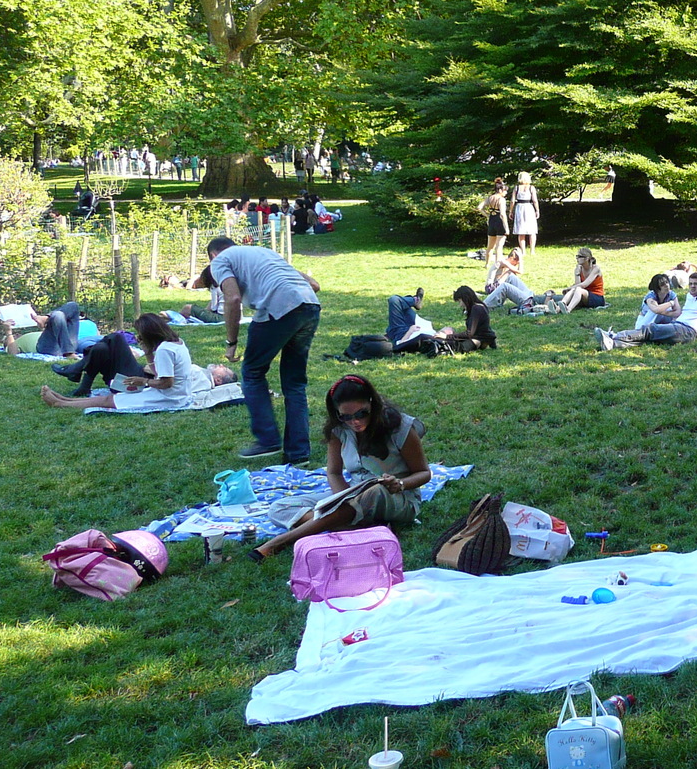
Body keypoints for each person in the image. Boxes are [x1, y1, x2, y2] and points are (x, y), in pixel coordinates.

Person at [248, 375, 430, 562]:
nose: (355, 421)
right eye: (346, 417)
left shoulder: (400, 427)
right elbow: (333, 472)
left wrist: (399, 484)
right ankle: (357, 527)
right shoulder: (339, 430)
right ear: (337, 414)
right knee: (279, 508)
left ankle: (280, 542)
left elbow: (424, 473)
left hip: (397, 498)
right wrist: (343, 500)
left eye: (361, 413)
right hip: (352, 493)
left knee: (375, 490)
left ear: (372, 404)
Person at [207, 234, 323, 463]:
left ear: (213, 255)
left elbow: (232, 298)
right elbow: (314, 285)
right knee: (294, 384)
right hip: (309, 305)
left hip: (279, 308)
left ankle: (267, 439)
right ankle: (299, 454)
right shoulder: (262, 252)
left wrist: (231, 343)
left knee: (251, 372)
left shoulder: (219, 261)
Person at [40, 313, 234, 411]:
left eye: (224, 369)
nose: (221, 365)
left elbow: (166, 382)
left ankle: (64, 400)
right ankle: (67, 397)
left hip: (166, 396)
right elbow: (161, 373)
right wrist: (149, 352)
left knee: (109, 398)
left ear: (218, 379)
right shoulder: (175, 344)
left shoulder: (168, 350)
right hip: (164, 390)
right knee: (103, 347)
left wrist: (144, 382)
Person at [594, 273, 697, 350]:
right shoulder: (689, 295)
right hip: (679, 326)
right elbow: (679, 313)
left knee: (650, 330)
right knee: (650, 338)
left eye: (696, 284)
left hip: (688, 331)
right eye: (691, 283)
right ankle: (613, 344)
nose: (692, 286)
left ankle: (613, 336)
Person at [546, 248, 605, 313]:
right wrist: (577, 274)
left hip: (597, 297)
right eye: (577, 256)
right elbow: (578, 284)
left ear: (587, 258)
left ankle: (568, 309)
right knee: (575, 289)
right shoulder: (579, 268)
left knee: (577, 289)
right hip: (584, 296)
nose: (577, 259)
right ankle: (560, 307)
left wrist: (569, 288)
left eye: (579, 257)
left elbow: (584, 285)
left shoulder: (595, 269)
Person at [443, 285, 498, 350]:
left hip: (478, 339)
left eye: (460, 301)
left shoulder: (476, 308)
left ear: (465, 299)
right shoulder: (479, 307)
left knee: (451, 344)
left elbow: (469, 333)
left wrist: (447, 336)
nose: (460, 305)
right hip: (481, 337)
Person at [482, 178, 509, 276]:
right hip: (499, 222)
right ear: (501, 190)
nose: (506, 193)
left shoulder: (490, 198)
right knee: (499, 246)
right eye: (505, 191)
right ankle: (498, 265)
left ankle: (486, 264)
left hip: (492, 221)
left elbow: (479, 207)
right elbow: (502, 214)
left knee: (490, 247)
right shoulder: (501, 200)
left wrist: (487, 215)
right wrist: (507, 227)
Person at [511, 172, 540, 257]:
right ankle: (532, 251)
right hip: (529, 207)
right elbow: (535, 200)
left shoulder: (516, 188)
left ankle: (523, 251)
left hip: (519, 207)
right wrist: (537, 210)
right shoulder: (531, 188)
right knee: (532, 230)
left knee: (521, 230)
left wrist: (511, 211)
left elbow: (513, 201)